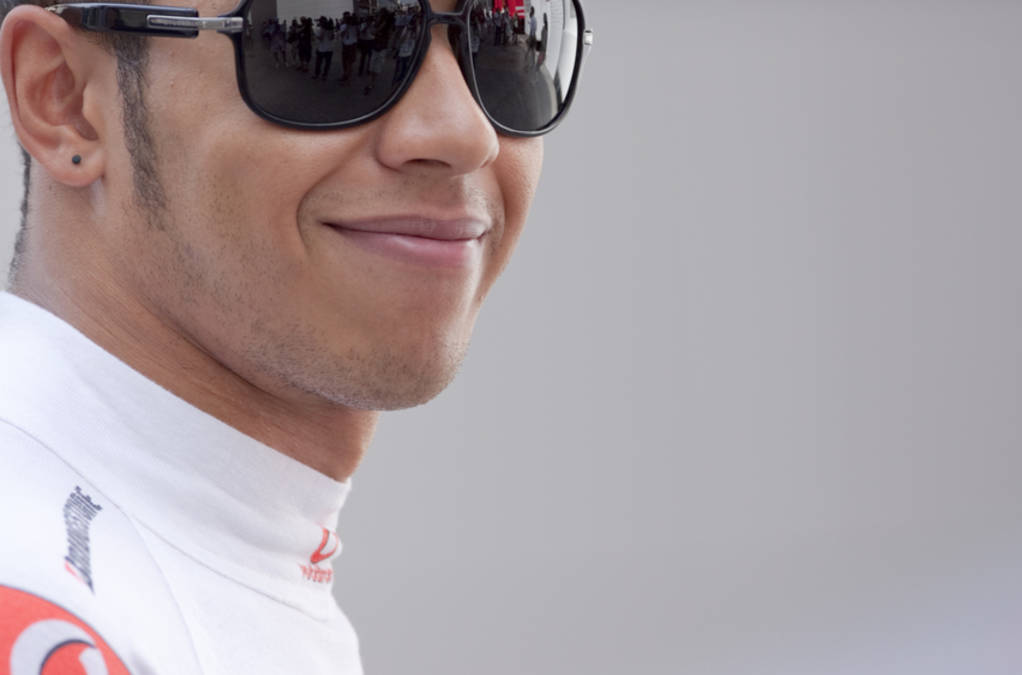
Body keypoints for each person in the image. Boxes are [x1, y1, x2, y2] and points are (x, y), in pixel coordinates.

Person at [0, 0, 591, 672]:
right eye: (327, 30)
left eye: (501, 35)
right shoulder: (40, 606)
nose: (465, 133)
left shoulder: (189, 568)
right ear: (63, 99)